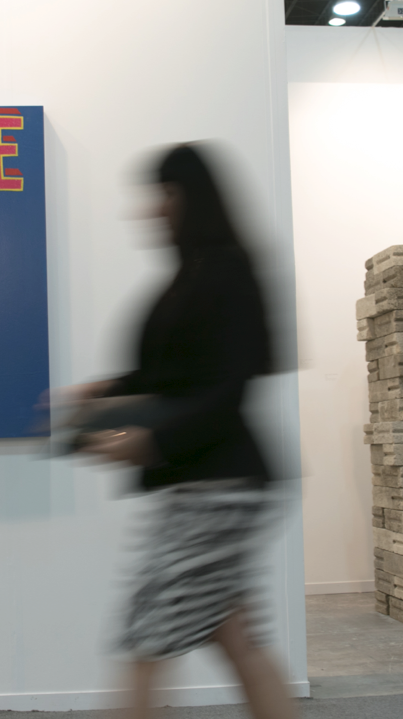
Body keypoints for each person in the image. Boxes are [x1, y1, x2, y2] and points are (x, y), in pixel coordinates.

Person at [67, 143, 296, 719]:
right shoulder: (191, 274)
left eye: (166, 193)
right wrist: (104, 392)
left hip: (220, 488)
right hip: (207, 483)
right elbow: (168, 376)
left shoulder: (226, 271)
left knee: (146, 637)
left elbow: (227, 389)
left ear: (195, 197)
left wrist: (153, 442)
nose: (153, 208)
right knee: (235, 635)